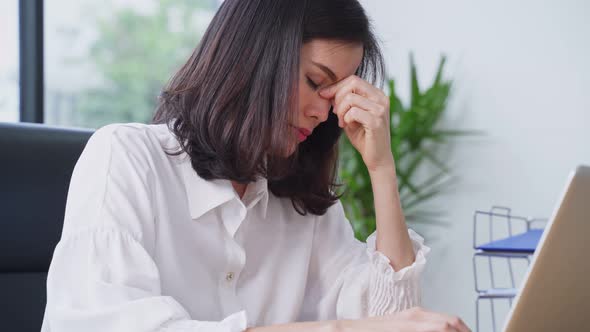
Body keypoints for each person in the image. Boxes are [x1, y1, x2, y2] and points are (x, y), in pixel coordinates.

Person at [41, 0, 470, 331]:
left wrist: (382, 169)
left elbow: (389, 318)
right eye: (315, 83)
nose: (325, 114)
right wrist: (339, 328)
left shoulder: (300, 203)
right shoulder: (127, 158)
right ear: (254, 59)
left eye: (335, 95)